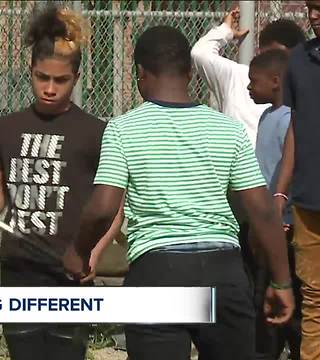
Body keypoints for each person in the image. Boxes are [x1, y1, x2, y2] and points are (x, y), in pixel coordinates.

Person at [64, 25, 294, 360]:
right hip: (224, 272)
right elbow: (261, 211)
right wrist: (282, 282)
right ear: (189, 73)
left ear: (140, 74)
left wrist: (79, 251)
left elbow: (102, 208)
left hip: (158, 271)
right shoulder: (227, 129)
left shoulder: (122, 130)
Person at [0, 6, 123, 360]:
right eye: (42, 78)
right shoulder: (6, 128)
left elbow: (114, 206)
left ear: (76, 77)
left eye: (61, 81)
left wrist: (95, 253)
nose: (50, 88)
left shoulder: (96, 132)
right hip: (20, 265)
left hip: (71, 266)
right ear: (30, 72)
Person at [275, 1, 320, 359]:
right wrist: (280, 191)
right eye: (310, 7)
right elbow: (295, 128)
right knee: (316, 298)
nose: (312, 15)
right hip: (307, 204)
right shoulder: (300, 58)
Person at [248, 49, 301, 360]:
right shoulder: (268, 116)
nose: (249, 88)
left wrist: (285, 214)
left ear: (276, 81)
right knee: (261, 295)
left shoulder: (290, 120)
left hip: (286, 224)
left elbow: (290, 170)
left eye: (254, 82)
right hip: (266, 223)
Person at [191, 6, 306, 145]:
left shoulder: (305, 88)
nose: (280, 66)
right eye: (273, 56)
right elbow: (200, 53)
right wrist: (226, 31)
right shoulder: (236, 77)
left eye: (287, 59)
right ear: (260, 52)